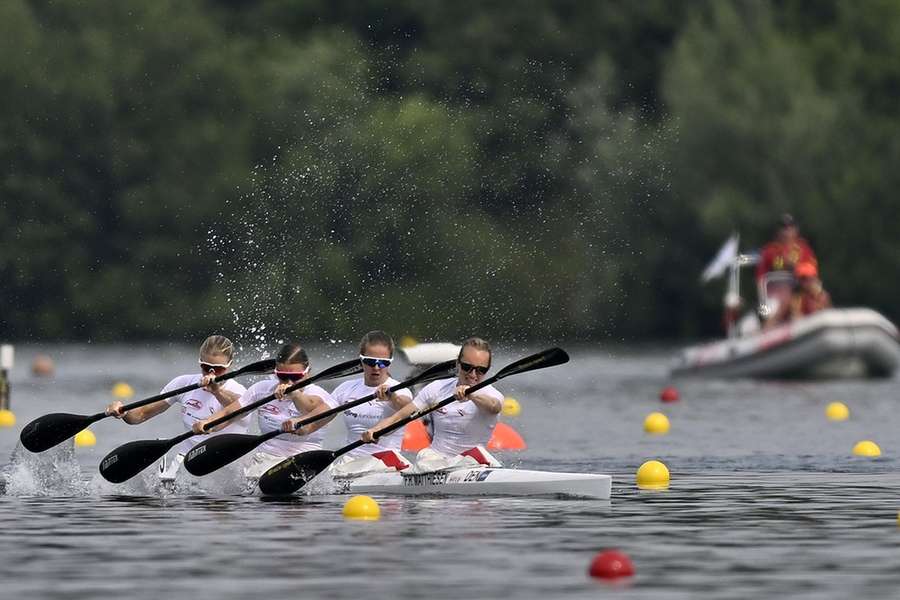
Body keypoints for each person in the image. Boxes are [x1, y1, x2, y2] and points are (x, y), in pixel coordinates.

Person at [105, 335, 249, 481]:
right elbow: (140, 414)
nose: (211, 373)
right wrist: (123, 412)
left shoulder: (241, 393)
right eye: (206, 367)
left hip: (225, 468)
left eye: (218, 370)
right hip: (187, 464)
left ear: (229, 365)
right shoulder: (184, 383)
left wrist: (217, 390)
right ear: (199, 362)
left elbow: (236, 410)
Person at [192, 342, 335, 480]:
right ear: (275, 372)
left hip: (305, 460)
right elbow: (230, 414)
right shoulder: (262, 389)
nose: (288, 383)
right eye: (282, 376)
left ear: (307, 372)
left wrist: (295, 395)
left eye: (295, 377)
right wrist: (207, 423)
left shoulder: (319, 396)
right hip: (265, 461)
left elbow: (308, 415)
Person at [362, 337, 504, 473]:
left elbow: (494, 407)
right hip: (434, 461)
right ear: (457, 364)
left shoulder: (492, 395)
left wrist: (472, 394)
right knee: (424, 456)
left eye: (481, 370)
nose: (473, 374)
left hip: (473, 462)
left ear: (488, 370)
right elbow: (400, 417)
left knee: (474, 456)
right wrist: (376, 430)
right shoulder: (437, 388)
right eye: (467, 367)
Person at [327, 331, 414, 477]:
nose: (377, 367)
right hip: (351, 463)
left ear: (390, 362)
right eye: (370, 361)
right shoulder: (345, 389)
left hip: (387, 463)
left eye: (383, 363)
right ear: (361, 360)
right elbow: (320, 415)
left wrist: (392, 397)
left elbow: (409, 408)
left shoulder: (400, 390)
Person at [765, 261, 832, 328]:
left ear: (814, 278)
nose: (805, 282)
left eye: (808, 278)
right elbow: (777, 317)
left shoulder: (822, 296)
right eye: (802, 279)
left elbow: (828, 315)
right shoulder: (793, 298)